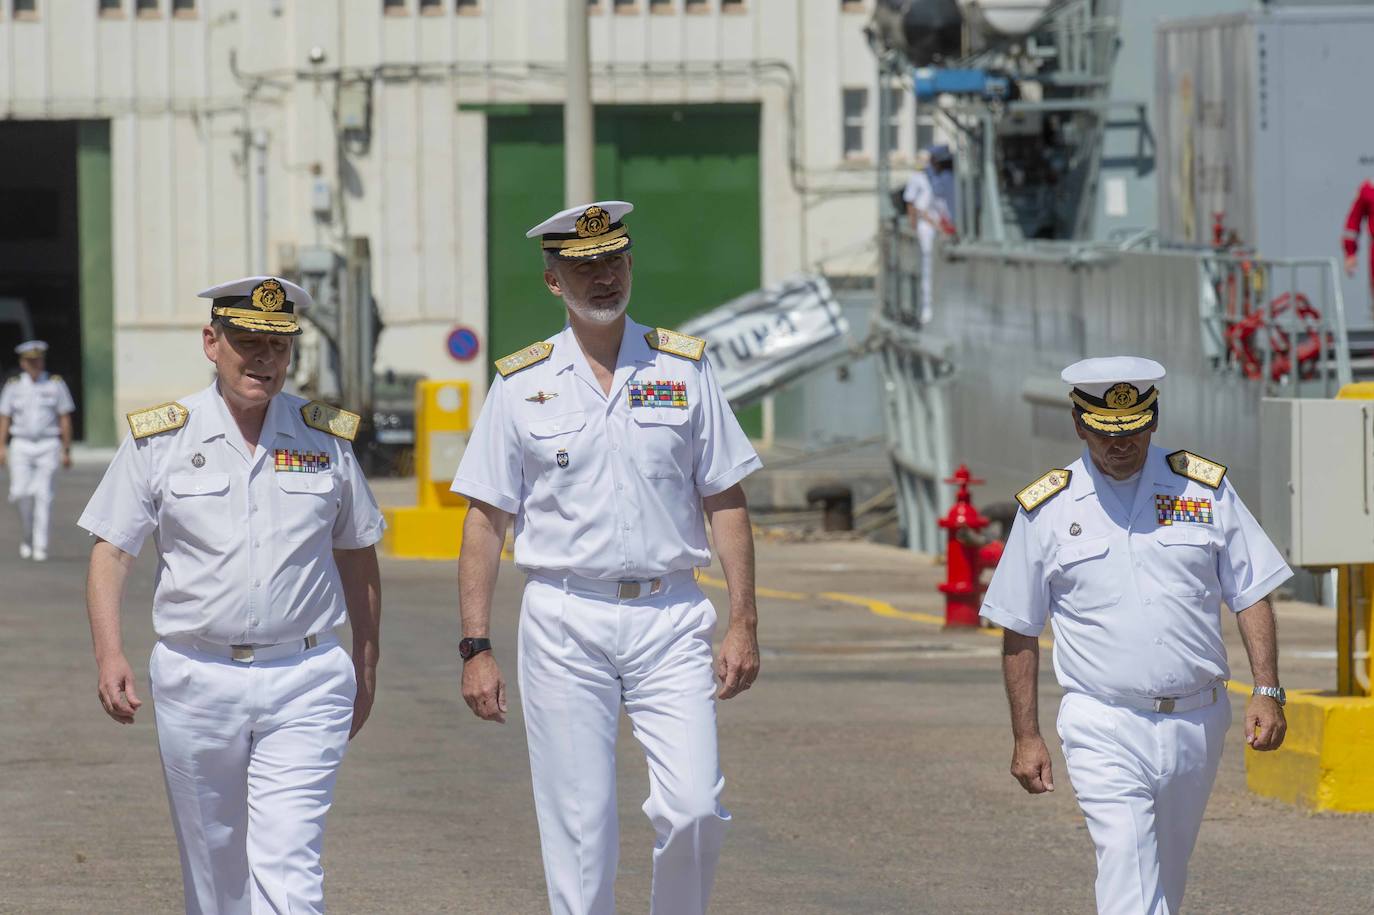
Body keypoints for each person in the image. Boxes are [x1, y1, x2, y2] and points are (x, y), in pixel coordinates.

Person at [451, 200, 763, 915]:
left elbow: (726, 497)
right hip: (565, 617)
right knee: (582, 830)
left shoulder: (683, 368)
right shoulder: (520, 384)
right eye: (583, 267)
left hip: (671, 612)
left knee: (692, 809)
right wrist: (476, 644)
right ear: (552, 281)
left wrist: (743, 619)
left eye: (613, 262)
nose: (602, 278)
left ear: (630, 266)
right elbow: (484, 520)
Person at [77, 276, 384, 915]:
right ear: (212, 342)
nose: (264, 360)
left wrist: (366, 660)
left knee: (289, 861)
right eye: (248, 343)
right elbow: (112, 551)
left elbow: (357, 553)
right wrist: (110, 654)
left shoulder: (324, 436)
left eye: (278, 346)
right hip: (197, 674)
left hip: (306, 675)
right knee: (214, 864)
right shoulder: (161, 438)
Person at [980, 356, 1291, 915]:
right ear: (1079, 425)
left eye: (1131, 430)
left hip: (1198, 717)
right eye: (1104, 432)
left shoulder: (1206, 490)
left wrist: (1266, 688)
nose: (1119, 444)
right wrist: (1025, 736)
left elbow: (1251, 592)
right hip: (1103, 719)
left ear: (1152, 421)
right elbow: (1019, 629)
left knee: (1166, 874)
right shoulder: (1047, 509)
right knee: (1126, 861)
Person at [0, 340, 75, 561]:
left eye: (38, 360)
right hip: (21, 443)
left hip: (48, 443)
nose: (35, 365)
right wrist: (1, 446)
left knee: (44, 495)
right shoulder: (13, 386)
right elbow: (5, 417)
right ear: (23, 363)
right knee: (20, 493)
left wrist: (66, 449)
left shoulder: (55, 384)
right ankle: (27, 536)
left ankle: (40, 545)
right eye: (31, 361)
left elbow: (65, 417)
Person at [902, 145, 956, 325]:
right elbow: (917, 207)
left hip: (942, 227)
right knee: (928, 267)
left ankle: (938, 305)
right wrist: (917, 227)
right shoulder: (923, 179)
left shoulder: (943, 180)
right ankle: (928, 307)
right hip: (931, 228)